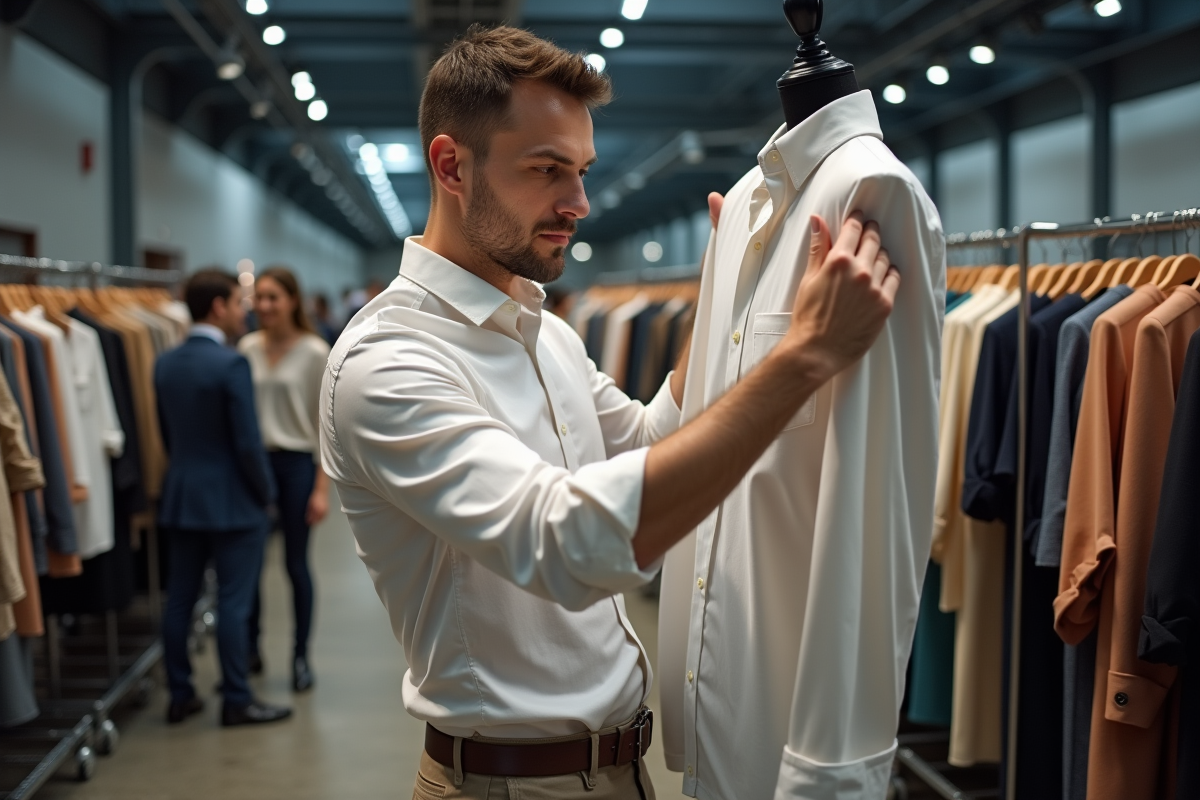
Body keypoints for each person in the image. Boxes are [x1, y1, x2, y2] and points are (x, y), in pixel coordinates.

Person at [319, 26, 899, 800]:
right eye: (548, 170)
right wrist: (807, 359)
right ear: (451, 166)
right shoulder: (386, 364)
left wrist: (724, 293)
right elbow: (572, 545)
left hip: (620, 773)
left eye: (583, 170)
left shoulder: (544, 332)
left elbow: (653, 442)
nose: (579, 204)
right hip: (508, 786)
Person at [156, 269, 292, 728]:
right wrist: (267, 494)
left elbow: (166, 435)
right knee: (234, 603)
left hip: (181, 495)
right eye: (238, 303)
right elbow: (247, 443)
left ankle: (180, 694)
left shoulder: (165, 362)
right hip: (234, 500)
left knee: (179, 600)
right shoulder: (232, 363)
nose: (244, 312)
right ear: (218, 307)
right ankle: (236, 698)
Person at [239, 266, 332, 693]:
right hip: (252, 468)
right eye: (260, 297)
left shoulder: (315, 352)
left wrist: (320, 488)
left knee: (296, 565)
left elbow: (324, 424)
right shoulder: (246, 348)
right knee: (249, 566)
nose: (265, 306)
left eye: (274, 297)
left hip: (296, 465)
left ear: (293, 301)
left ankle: (300, 657)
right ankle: (251, 647)